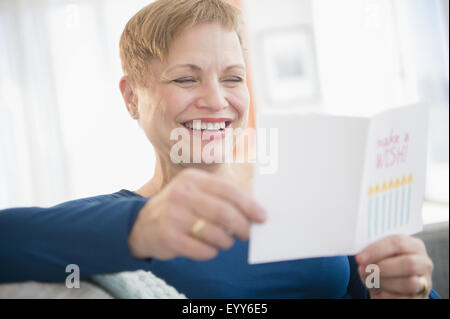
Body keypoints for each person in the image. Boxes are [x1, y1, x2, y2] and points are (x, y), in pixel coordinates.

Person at [0, 0, 438, 299]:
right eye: (186, 78)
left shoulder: (315, 197)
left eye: (232, 78)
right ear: (131, 96)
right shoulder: (119, 221)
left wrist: (411, 288)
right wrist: (140, 226)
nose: (216, 100)